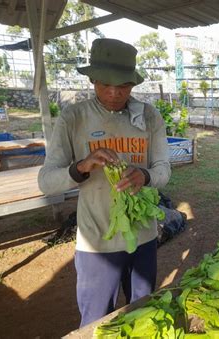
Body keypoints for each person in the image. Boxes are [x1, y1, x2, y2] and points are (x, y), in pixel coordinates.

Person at [38, 38, 171, 326]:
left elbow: (163, 169)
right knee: (97, 324)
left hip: (143, 239)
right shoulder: (74, 117)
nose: (113, 92)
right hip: (96, 244)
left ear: (133, 84)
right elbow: (46, 182)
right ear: (92, 79)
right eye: (104, 84)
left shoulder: (149, 116)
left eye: (122, 85)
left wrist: (145, 175)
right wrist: (82, 166)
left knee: (143, 317)